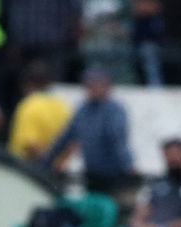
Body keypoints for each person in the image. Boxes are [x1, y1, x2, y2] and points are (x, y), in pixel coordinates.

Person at [41, 66, 135, 196]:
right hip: (92, 173)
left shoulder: (115, 110)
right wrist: (46, 160)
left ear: (107, 86)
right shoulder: (83, 110)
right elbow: (65, 137)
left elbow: (117, 139)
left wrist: (128, 165)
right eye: (89, 85)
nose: (92, 89)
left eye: (96, 84)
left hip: (116, 173)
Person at [7, 60, 72, 160]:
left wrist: (45, 163)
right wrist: (56, 162)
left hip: (26, 166)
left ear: (27, 84)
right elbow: (71, 142)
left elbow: (30, 144)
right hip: (55, 167)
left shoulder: (29, 105)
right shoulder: (60, 106)